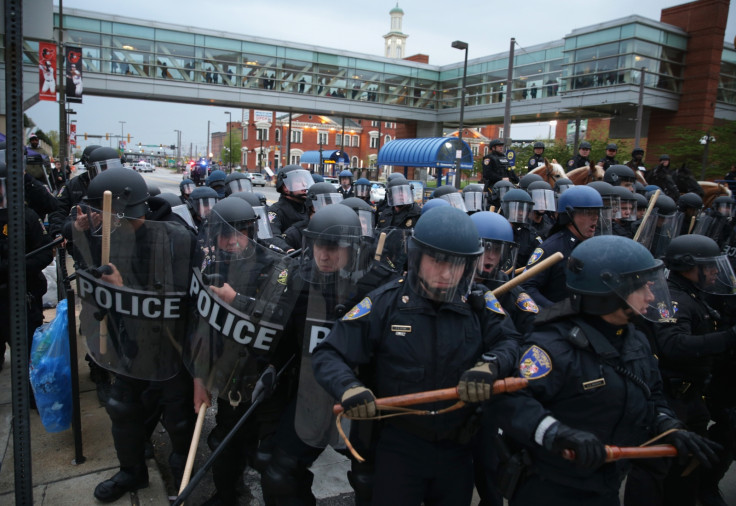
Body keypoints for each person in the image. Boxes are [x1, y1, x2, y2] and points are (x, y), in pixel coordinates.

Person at [312, 205, 522, 506]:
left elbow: (511, 342)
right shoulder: (385, 303)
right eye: (437, 261)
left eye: (457, 264)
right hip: (401, 446)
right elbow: (329, 353)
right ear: (418, 257)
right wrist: (348, 387)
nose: (447, 273)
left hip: (458, 447)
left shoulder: (478, 303)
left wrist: (491, 367)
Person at [491, 235, 719, 506]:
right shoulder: (552, 345)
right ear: (610, 291)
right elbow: (512, 403)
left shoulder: (635, 340)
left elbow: (653, 394)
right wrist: (557, 433)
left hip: (606, 484)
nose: (650, 296)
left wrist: (667, 426)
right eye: (642, 288)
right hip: (550, 488)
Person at [73, 167, 196, 502]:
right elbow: (90, 267)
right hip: (134, 343)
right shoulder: (116, 234)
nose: (97, 219)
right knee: (121, 406)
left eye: (100, 212)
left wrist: (123, 289)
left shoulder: (175, 238)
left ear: (122, 208)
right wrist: (83, 236)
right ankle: (132, 472)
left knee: (180, 420)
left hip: (172, 346)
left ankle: (184, 478)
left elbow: (177, 303)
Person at [186, 197, 293, 505]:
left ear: (252, 231)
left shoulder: (276, 266)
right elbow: (201, 326)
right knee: (223, 443)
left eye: (240, 233)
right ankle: (227, 494)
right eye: (224, 234)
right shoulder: (212, 265)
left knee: (269, 457)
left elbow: (281, 319)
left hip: (268, 376)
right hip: (230, 374)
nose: (232, 241)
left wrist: (237, 301)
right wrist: (199, 376)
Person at [650, 235, 736, 506]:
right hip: (675, 397)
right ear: (688, 267)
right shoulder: (673, 299)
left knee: (697, 457)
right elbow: (674, 344)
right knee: (666, 468)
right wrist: (729, 337)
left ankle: (700, 490)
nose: (714, 272)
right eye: (708, 266)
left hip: (696, 391)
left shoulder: (694, 294)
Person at [0, 162, 53, 373]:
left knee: (29, 355)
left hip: (24, 294)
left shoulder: (26, 216)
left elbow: (45, 252)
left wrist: (16, 268)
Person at [523, 185, 603, 307]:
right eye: (588, 212)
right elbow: (527, 287)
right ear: (569, 216)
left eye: (597, 212)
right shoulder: (551, 248)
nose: (595, 218)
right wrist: (555, 311)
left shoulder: (595, 245)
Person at [267, 165, 314, 244]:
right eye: (299, 181)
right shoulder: (275, 211)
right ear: (285, 187)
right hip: (288, 255)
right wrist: (288, 250)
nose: (304, 184)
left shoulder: (310, 208)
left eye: (305, 180)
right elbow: (272, 236)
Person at [500, 189, 542, 269]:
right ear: (507, 208)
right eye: (516, 208)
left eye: (523, 209)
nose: (520, 213)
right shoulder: (497, 229)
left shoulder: (532, 236)